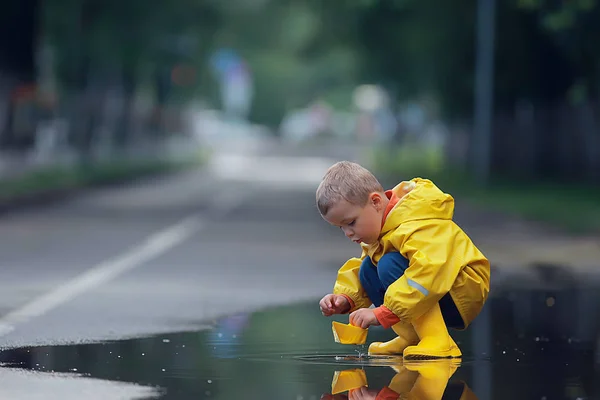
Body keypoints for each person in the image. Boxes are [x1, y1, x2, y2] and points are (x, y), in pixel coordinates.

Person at [316, 161, 490, 359]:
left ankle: (437, 339)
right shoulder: (382, 229)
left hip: (460, 289)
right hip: (434, 289)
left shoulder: (418, 223)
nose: (348, 233)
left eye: (351, 223)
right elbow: (363, 269)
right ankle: (412, 337)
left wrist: (382, 313)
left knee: (389, 264)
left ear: (375, 202)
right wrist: (345, 298)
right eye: (341, 228)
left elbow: (428, 274)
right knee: (367, 268)